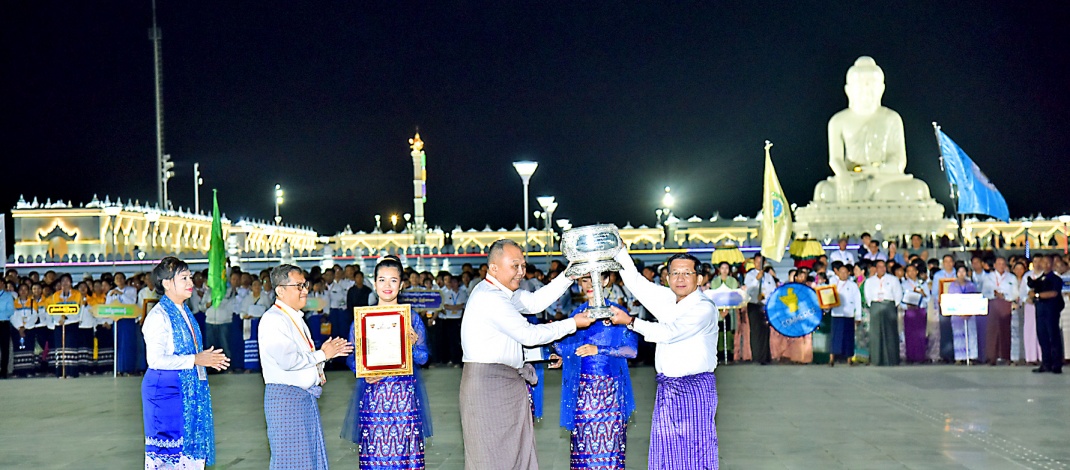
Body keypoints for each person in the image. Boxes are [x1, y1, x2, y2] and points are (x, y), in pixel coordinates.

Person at [459, 239, 594, 470]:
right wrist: (572, 324)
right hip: (488, 385)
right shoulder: (490, 297)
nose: (521, 272)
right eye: (514, 266)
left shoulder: (502, 292)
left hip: (506, 381)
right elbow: (528, 335)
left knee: (514, 453)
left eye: (523, 265)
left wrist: (568, 275)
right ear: (494, 268)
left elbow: (534, 303)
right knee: (490, 456)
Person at [611, 250, 719, 470]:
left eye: (687, 273)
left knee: (696, 450)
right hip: (667, 388)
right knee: (666, 450)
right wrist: (620, 252)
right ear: (667, 278)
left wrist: (631, 321)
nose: (680, 278)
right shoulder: (668, 299)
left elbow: (671, 332)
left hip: (695, 388)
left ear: (699, 278)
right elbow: (636, 283)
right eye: (675, 273)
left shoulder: (704, 308)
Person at [341, 256, 432, 468]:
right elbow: (352, 358)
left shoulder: (411, 318)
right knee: (375, 455)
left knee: (405, 456)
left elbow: (423, 357)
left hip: (404, 397)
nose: (387, 285)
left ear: (401, 285)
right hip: (374, 397)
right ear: (374, 283)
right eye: (382, 280)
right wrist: (364, 372)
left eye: (393, 280)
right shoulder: (363, 318)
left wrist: (413, 343)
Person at [260, 264, 353, 469]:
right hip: (286, 399)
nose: (305, 290)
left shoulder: (294, 317)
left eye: (305, 285)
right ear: (280, 290)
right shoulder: (273, 320)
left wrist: (320, 363)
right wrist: (322, 354)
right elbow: (287, 360)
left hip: (302, 398)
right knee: (291, 462)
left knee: (308, 460)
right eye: (298, 286)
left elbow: (302, 357)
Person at [141, 257, 230, 469]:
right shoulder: (158, 316)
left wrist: (203, 360)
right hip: (166, 391)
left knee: (190, 451)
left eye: (190, 276)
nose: (190, 282)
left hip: (186, 386)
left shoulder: (185, 312)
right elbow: (155, 360)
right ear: (166, 283)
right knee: (170, 453)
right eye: (184, 278)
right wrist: (196, 359)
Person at [552, 273, 637, 469]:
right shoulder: (578, 314)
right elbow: (568, 346)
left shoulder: (617, 313)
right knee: (584, 450)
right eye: (584, 280)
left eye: (595, 279)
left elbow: (631, 350)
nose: (589, 284)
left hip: (611, 393)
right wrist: (562, 355)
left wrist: (599, 350)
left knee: (611, 451)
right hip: (584, 394)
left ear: (606, 281)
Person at [1027, 255, 1064, 373]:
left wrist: (1037, 295)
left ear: (1052, 264)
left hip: (1051, 311)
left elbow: (1053, 293)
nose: (1046, 265)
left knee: (1053, 337)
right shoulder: (1040, 279)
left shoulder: (1056, 279)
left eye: (1048, 263)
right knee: (1042, 337)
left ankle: (1056, 364)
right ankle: (1046, 363)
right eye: (1044, 263)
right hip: (1040, 311)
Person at [864, 260, 902, 366]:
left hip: (888, 305)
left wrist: (892, 305)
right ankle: (876, 359)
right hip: (876, 305)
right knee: (876, 333)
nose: (881, 269)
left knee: (890, 333)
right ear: (875, 268)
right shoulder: (870, 281)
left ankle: (891, 359)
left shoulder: (893, 279)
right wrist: (873, 304)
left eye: (883, 267)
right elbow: (867, 295)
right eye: (879, 267)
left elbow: (898, 294)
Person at [46, 274, 84, 377]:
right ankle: (61, 372)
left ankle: (71, 372)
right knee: (60, 348)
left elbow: (78, 309)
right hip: (59, 324)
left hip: (72, 323)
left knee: (70, 347)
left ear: (71, 283)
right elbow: (53, 310)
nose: (65, 283)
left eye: (67, 281)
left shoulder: (77, 294)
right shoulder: (56, 295)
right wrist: (59, 319)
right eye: (63, 281)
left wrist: (66, 317)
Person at [983, 258, 1017, 365]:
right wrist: (993, 293)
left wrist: (1005, 296)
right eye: (999, 264)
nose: (1001, 266)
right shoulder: (988, 277)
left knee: (1005, 330)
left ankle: (1005, 356)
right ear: (994, 265)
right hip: (993, 303)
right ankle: (991, 357)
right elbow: (984, 292)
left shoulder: (1011, 277)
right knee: (992, 331)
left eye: (1003, 264)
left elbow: (1015, 293)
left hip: (1006, 304)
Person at [743, 254, 776, 364]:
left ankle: (766, 356)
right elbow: (748, 290)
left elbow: (773, 290)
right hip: (754, 305)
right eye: (756, 262)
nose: (758, 264)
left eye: (761, 262)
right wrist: (757, 280)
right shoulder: (750, 275)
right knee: (756, 331)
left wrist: (767, 298)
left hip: (765, 305)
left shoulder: (768, 276)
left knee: (765, 331)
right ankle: (757, 356)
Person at [829, 264, 862, 366]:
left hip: (849, 314)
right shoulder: (833, 284)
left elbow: (857, 301)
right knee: (835, 337)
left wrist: (858, 316)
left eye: (845, 272)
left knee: (848, 337)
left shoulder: (853, 285)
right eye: (841, 272)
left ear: (849, 273)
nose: (843, 274)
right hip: (836, 313)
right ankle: (831, 358)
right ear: (837, 273)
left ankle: (849, 358)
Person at [238, 279, 272, 372]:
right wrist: (245, 316)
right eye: (254, 285)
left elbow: (270, 310)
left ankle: (262, 367)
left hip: (261, 323)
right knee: (250, 344)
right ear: (251, 287)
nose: (257, 287)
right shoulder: (247, 298)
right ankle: (249, 367)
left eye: (258, 285)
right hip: (250, 323)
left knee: (262, 344)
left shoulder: (265, 298)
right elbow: (242, 312)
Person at [948, 266, 980, 363]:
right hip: (957, 315)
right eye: (959, 272)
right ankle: (959, 357)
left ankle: (972, 356)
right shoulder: (952, 286)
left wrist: (968, 312)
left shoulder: (971, 285)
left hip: (970, 313)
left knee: (971, 334)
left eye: (963, 271)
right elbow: (951, 300)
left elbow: (975, 299)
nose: (961, 274)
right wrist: (959, 312)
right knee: (958, 335)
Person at [900, 264, 929, 363]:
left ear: (917, 272)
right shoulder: (903, 285)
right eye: (909, 271)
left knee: (921, 334)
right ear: (906, 274)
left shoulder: (922, 283)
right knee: (910, 334)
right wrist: (906, 305)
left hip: (920, 310)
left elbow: (928, 298)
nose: (911, 273)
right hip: (909, 311)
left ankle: (921, 356)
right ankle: (910, 357)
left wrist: (923, 294)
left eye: (913, 270)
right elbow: (901, 299)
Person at [931, 255, 957, 363]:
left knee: (957, 330)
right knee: (945, 330)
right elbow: (934, 292)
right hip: (944, 305)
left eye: (950, 261)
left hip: (957, 305)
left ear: (953, 263)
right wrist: (940, 300)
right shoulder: (938, 275)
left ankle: (958, 354)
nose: (948, 264)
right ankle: (946, 355)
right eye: (945, 261)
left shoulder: (958, 274)